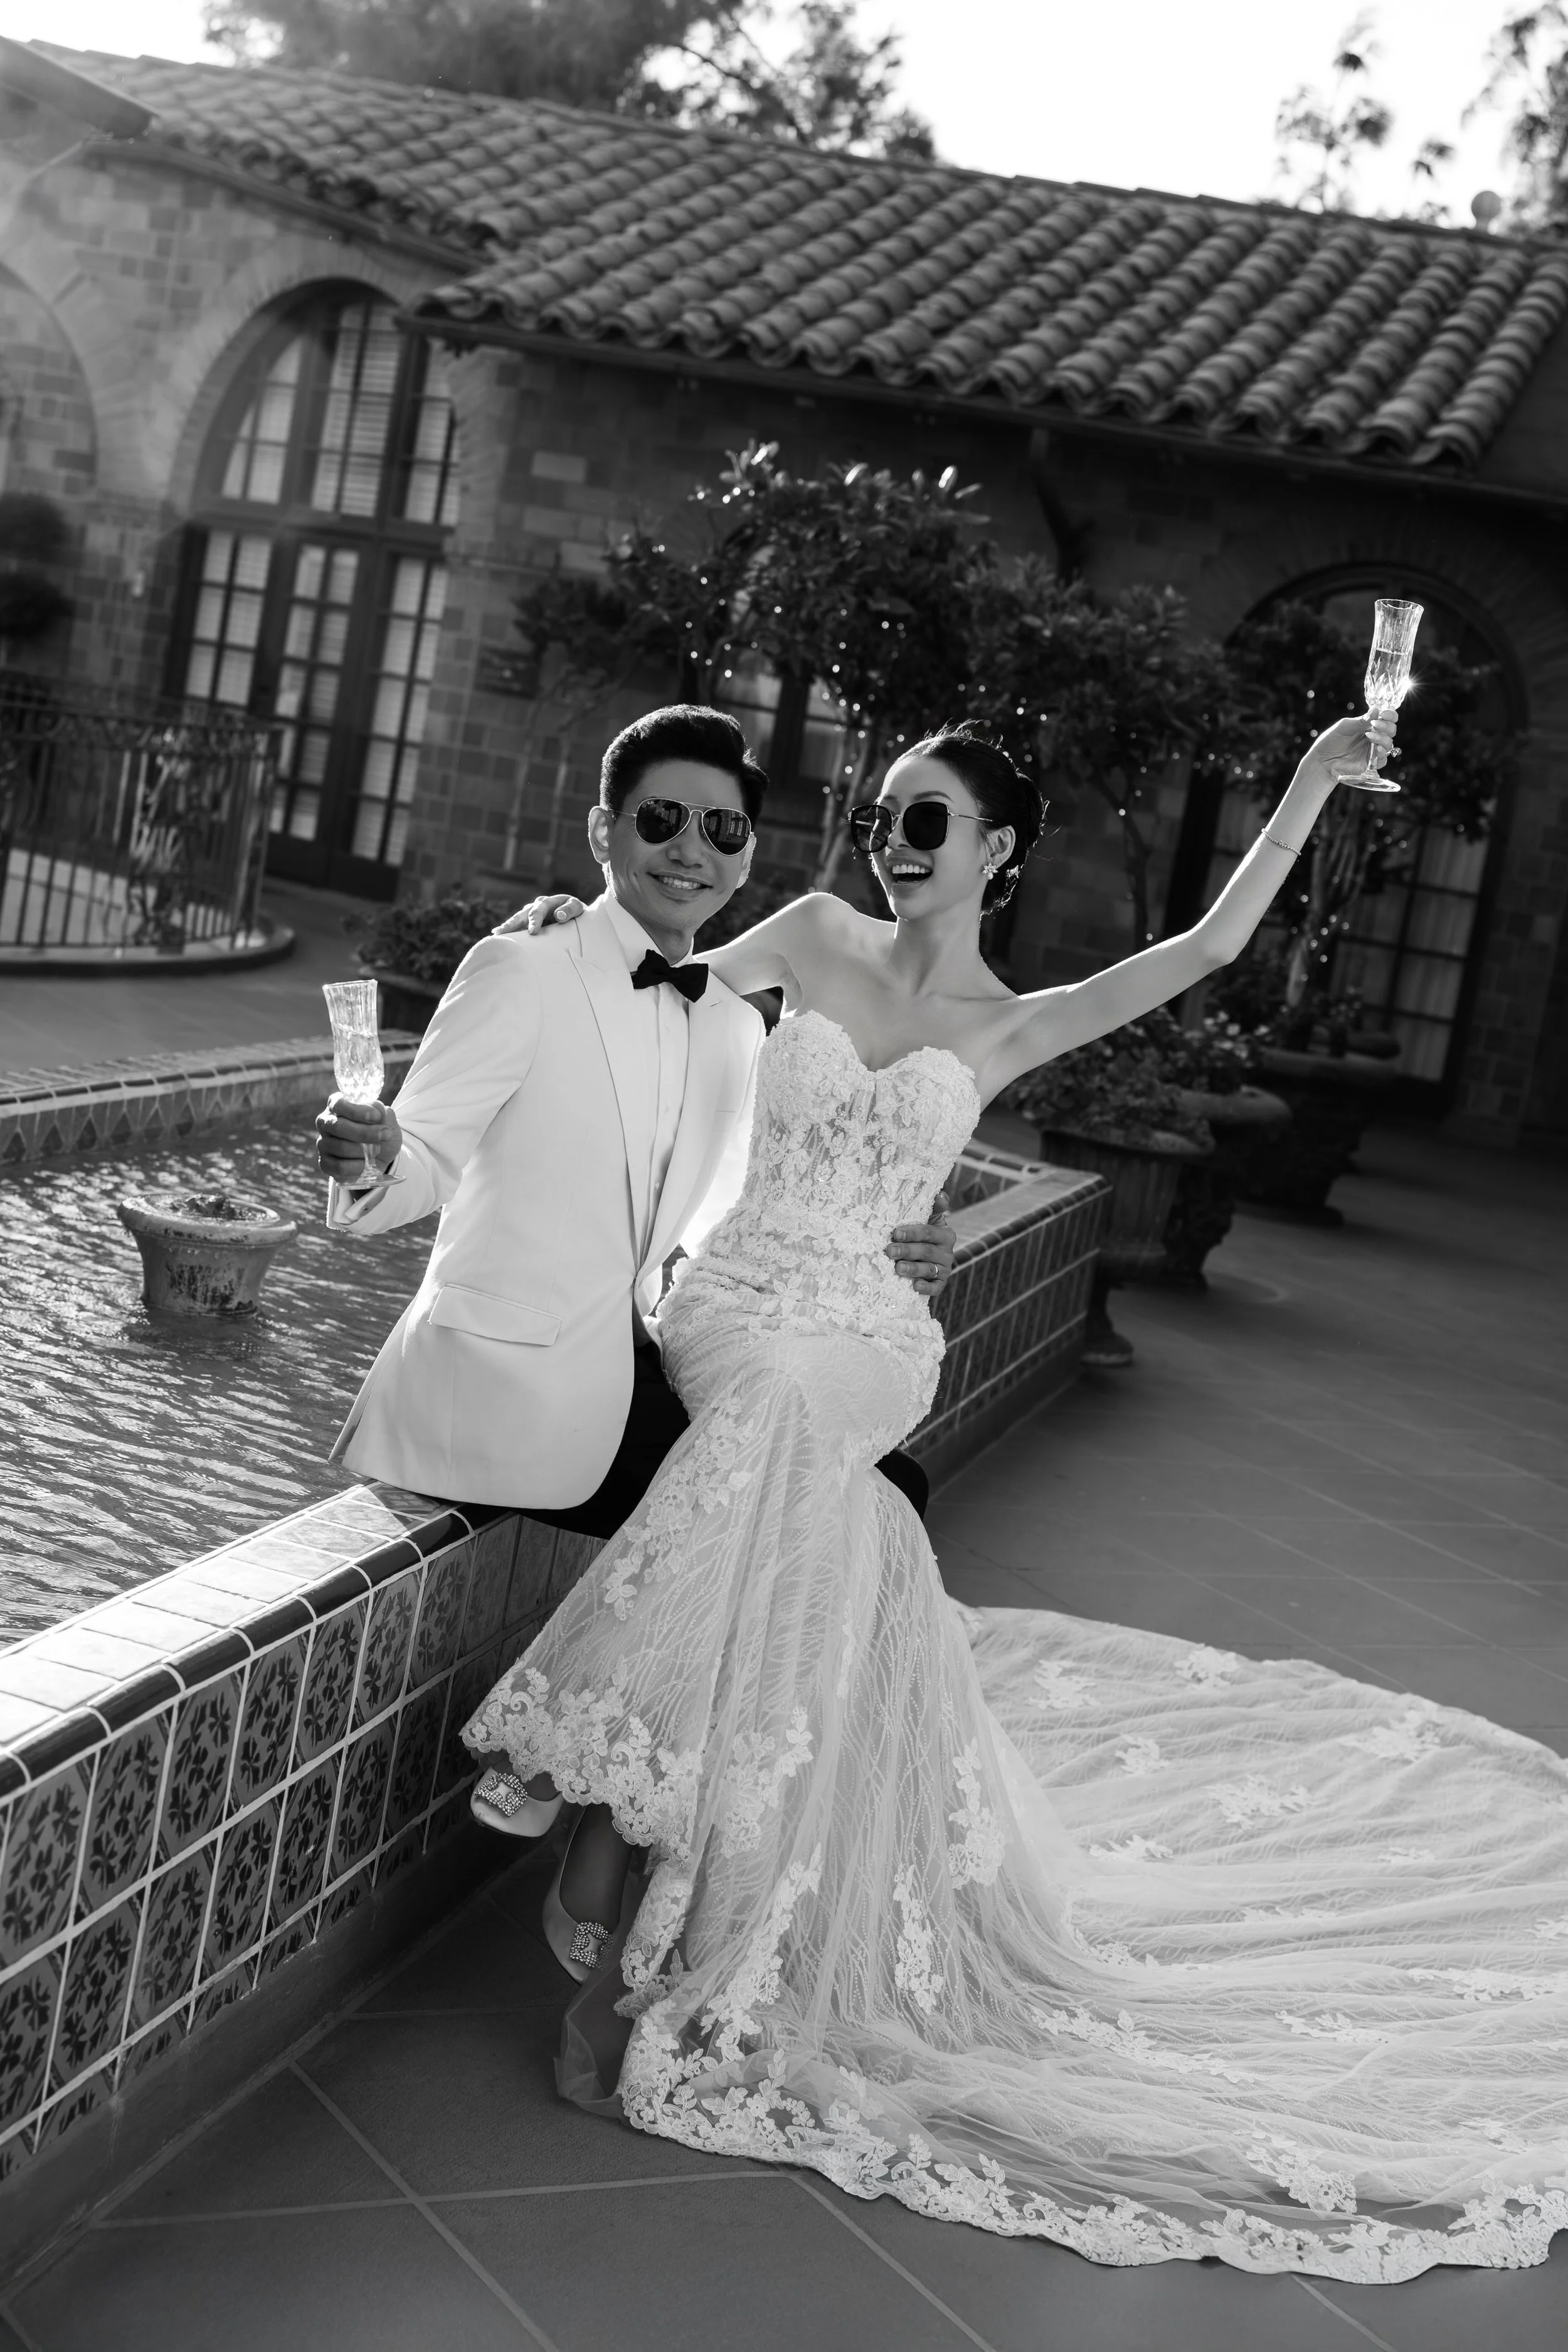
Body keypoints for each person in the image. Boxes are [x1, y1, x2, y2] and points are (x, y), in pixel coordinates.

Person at [464, 701, 1568, 2284]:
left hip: (866, 1330)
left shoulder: (1009, 1019)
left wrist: (1311, 791)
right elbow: (643, 993)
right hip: (738, 1296)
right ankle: (640, 1873)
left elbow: (1196, 952)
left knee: (795, 1427)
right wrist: (551, 929)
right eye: (886, 815)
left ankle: (617, 1827)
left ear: (995, 854)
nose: (894, 845)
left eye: (930, 824)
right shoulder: (808, 932)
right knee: (790, 1471)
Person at [315, 705, 955, 1842]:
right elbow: (419, 1161)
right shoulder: (523, 967)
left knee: (891, 1484)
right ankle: (603, 1793)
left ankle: (699, 1827)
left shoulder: (732, 1031)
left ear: (750, 854)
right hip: (500, 1382)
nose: (691, 848)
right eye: (662, 818)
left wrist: (908, 1230)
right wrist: (369, 1159)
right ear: (606, 829)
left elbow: (759, 1222)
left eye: (723, 828)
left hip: (626, 1368)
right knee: (830, 1502)